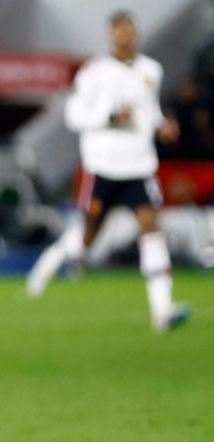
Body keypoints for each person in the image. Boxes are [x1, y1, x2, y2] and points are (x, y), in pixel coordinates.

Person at [26, 10, 189, 333]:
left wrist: (163, 126)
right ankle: (51, 261)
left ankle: (162, 309)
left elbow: (150, 112)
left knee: (150, 228)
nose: (125, 35)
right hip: (103, 167)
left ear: (136, 33)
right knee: (86, 239)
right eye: (119, 29)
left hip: (139, 166)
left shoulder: (150, 71)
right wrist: (109, 117)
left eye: (130, 29)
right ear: (110, 34)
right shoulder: (94, 73)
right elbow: (73, 115)